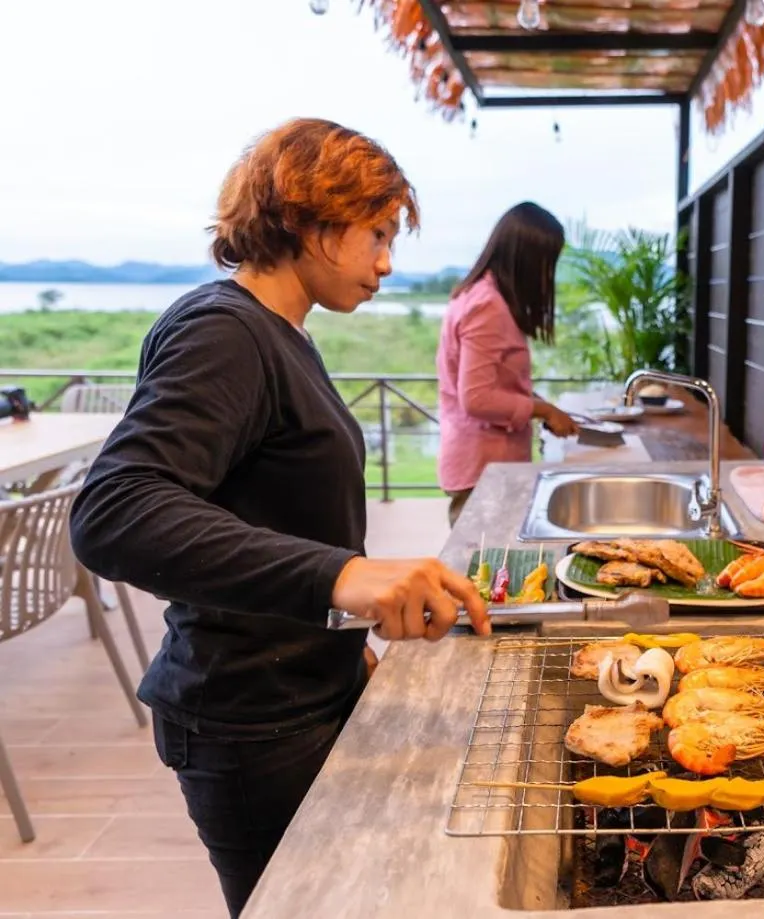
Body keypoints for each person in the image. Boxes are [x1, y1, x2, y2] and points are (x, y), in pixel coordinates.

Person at [68, 117, 491, 919]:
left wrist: (343, 645)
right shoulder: (224, 331)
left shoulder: (284, 334)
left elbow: (273, 513)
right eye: (375, 231)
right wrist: (343, 574)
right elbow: (116, 508)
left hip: (299, 691)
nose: (387, 261)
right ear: (305, 219)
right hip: (250, 722)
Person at [437, 201, 580, 526]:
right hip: (484, 466)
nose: (548, 273)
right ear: (528, 259)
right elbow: (477, 398)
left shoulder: (480, 296)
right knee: (485, 570)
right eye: (547, 262)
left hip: (485, 464)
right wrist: (543, 411)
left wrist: (542, 405)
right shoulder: (488, 306)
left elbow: (494, 384)